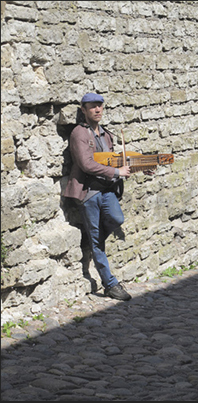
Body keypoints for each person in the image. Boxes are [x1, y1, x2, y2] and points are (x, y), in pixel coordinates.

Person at [62, 93, 133, 301]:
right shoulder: (79, 133)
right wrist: (117, 173)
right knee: (96, 240)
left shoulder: (106, 134)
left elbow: (112, 162)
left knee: (117, 219)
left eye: (100, 106)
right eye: (92, 107)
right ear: (83, 110)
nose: (97, 110)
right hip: (88, 192)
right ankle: (110, 284)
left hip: (107, 190)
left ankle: (96, 239)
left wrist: (137, 168)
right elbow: (86, 164)